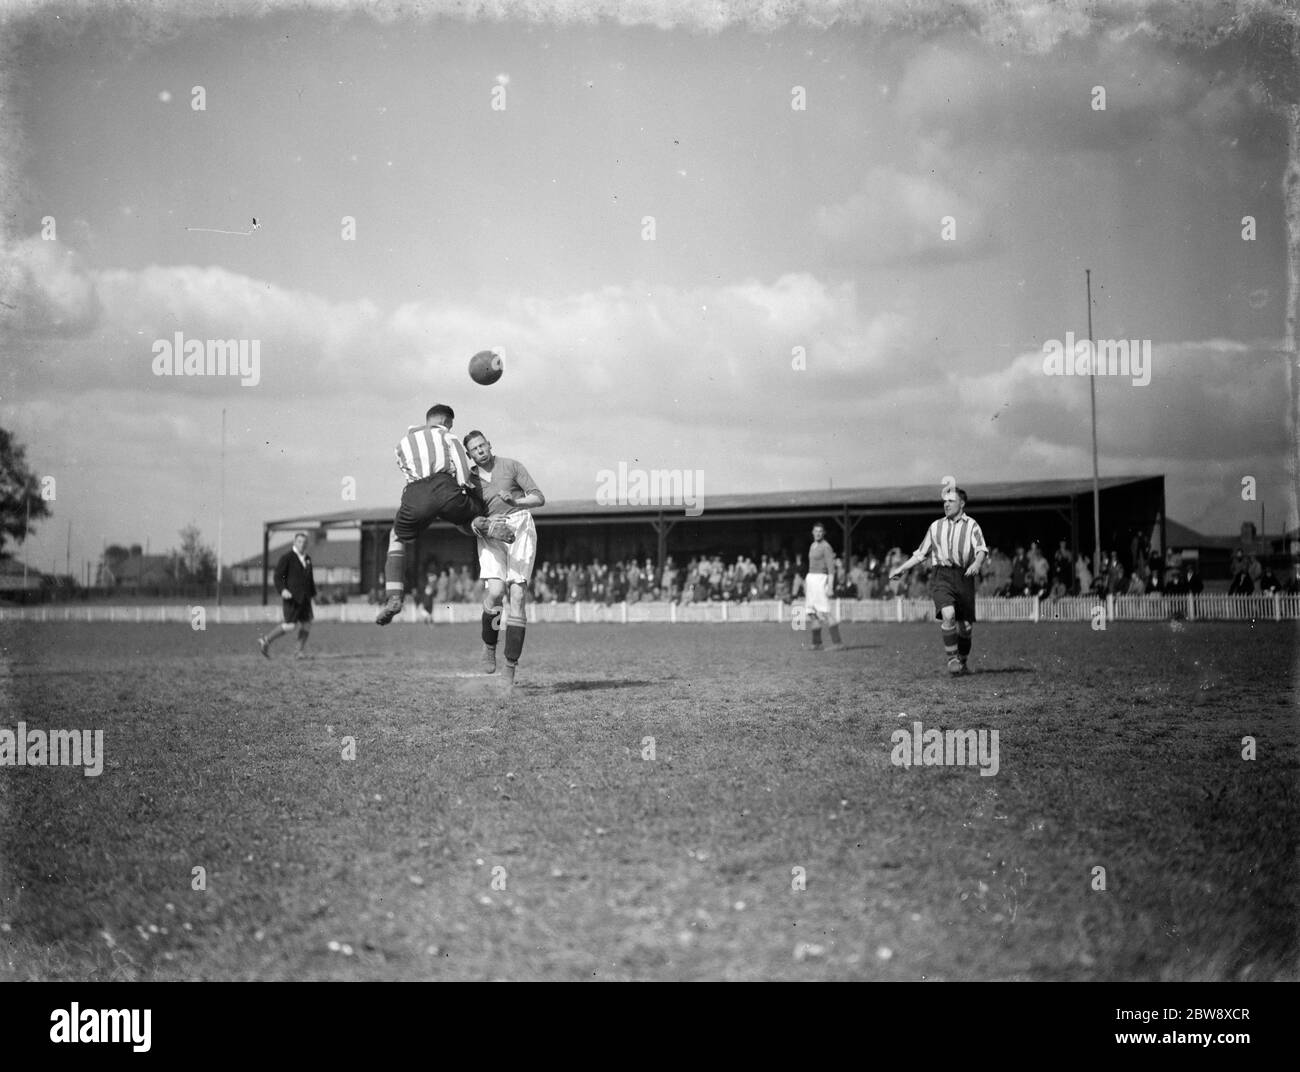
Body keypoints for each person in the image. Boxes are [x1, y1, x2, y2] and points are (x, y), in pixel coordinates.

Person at [376, 404, 514, 626]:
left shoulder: (401, 445)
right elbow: (463, 473)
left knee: (396, 536)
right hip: (445, 489)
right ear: (446, 421)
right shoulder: (448, 436)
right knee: (468, 518)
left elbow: (407, 473)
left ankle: (394, 595)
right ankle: (483, 525)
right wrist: (467, 497)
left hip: (415, 496)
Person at [464, 431, 545, 687]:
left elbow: (539, 498)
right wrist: (482, 523)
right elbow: (463, 516)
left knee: (518, 595)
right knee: (496, 592)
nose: (480, 450)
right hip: (491, 531)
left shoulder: (511, 465)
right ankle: (490, 643)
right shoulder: (469, 480)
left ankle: (510, 667)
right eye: (474, 449)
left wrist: (517, 501)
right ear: (469, 455)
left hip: (520, 525)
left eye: (482, 445)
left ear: (489, 445)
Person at [890, 485, 988, 676]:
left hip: (964, 576)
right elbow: (920, 554)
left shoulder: (972, 525)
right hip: (941, 575)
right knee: (949, 614)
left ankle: (963, 661)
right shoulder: (935, 527)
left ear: (962, 503)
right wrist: (902, 568)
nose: (946, 504)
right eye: (945, 501)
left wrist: (976, 563)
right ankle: (952, 659)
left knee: (966, 627)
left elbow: (982, 549)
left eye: (951, 501)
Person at [258, 531, 317, 658]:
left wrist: (313, 595)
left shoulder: (307, 559)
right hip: (292, 598)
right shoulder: (287, 558)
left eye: (304, 542)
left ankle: (298, 652)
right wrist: (282, 590)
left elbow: (310, 579)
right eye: (299, 542)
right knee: (290, 626)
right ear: (295, 542)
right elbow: (278, 576)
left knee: (307, 624)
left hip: (305, 599)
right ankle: (266, 640)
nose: (302, 544)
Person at [802, 523, 844, 650]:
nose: (818, 533)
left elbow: (831, 568)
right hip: (811, 579)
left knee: (825, 611)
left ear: (823, 533)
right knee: (811, 612)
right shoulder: (813, 546)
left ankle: (838, 643)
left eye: (820, 531)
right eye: (816, 531)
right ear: (812, 532)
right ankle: (817, 643)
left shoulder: (826, 547)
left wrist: (830, 586)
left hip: (821, 579)